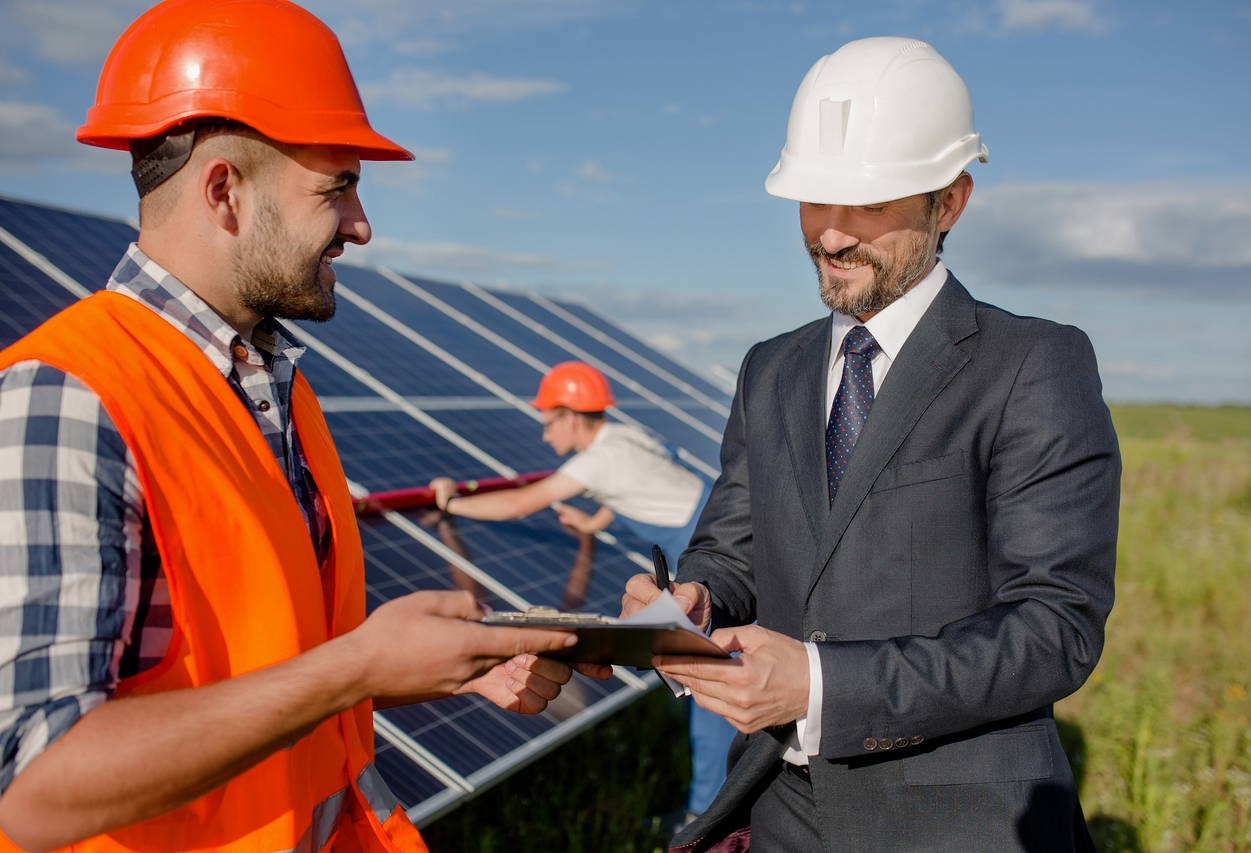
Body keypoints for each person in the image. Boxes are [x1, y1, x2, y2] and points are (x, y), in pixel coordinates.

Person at [0, 2, 608, 850]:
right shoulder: (69, 395)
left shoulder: (271, 387)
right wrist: (356, 665)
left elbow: (267, 666)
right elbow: (34, 786)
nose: (361, 224)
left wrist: (444, 666)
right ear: (224, 192)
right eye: (337, 187)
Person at [621, 37, 1121, 852]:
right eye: (815, 200)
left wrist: (819, 684)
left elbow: (1053, 626)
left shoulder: (1032, 363)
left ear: (949, 202)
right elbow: (735, 547)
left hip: (958, 822)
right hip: (777, 807)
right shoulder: (769, 369)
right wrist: (694, 601)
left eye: (868, 204)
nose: (831, 234)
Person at [429, 361, 737, 819]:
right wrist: (594, 521)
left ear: (571, 418)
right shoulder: (626, 439)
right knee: (713, 672)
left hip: (700, 554)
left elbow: (519, 503)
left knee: (708, 682)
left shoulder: (597, 460)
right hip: (718, 532)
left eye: (548, 422)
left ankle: (707, 817)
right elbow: (650, 481)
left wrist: (451, 501)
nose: (545, 435)